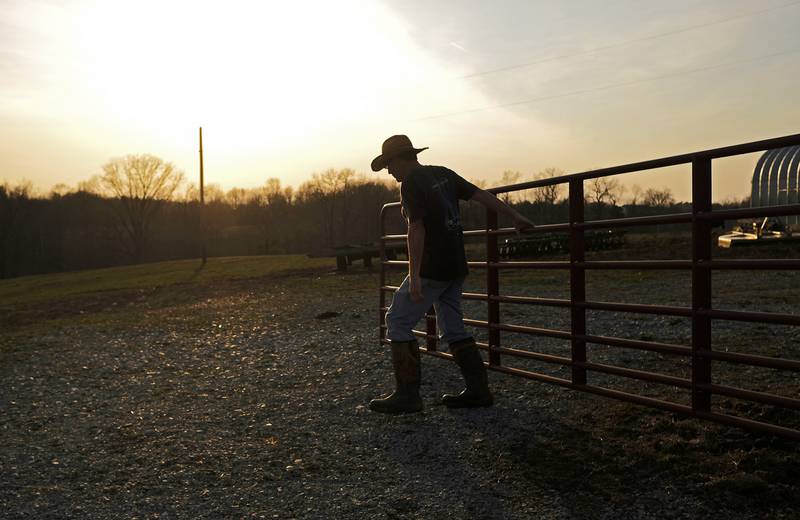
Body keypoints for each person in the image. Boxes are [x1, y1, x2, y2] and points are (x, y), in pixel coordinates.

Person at [369, 135, 535, 414]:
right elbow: (481, 195)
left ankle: (408, 396)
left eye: (388, 164)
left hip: (432, 266)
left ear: (400, 159)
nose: (388, 171)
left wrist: (415, 274)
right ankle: (478, 390)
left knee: (397, 320)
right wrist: (514, 216)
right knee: (453, 326)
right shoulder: (442, 174)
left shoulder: (411, 183)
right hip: (455, 264)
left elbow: (417, 228)